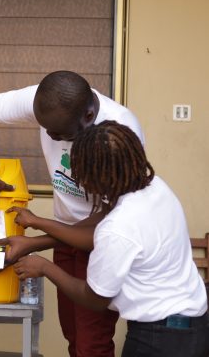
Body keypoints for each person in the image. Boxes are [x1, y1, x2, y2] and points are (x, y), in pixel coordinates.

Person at [0, 71, 144, 356]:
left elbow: (107, 221)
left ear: (88, 116)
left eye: (61, 134)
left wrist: (36, 241)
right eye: (45, 128)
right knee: (73, 336)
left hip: (99, 242)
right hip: (66, 236)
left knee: (91, 343)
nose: (51, 137)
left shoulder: (120, 132)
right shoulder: (46, 99)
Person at [13, 121, 209, 357]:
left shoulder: (118, 228)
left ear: (96, 176)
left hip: (158, 339)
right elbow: (101, 218)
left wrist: (44, 267)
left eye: (80, 172)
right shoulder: (156, 188)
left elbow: (94, 298)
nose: (78, 179)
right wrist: (38, 226)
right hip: (196, 325)